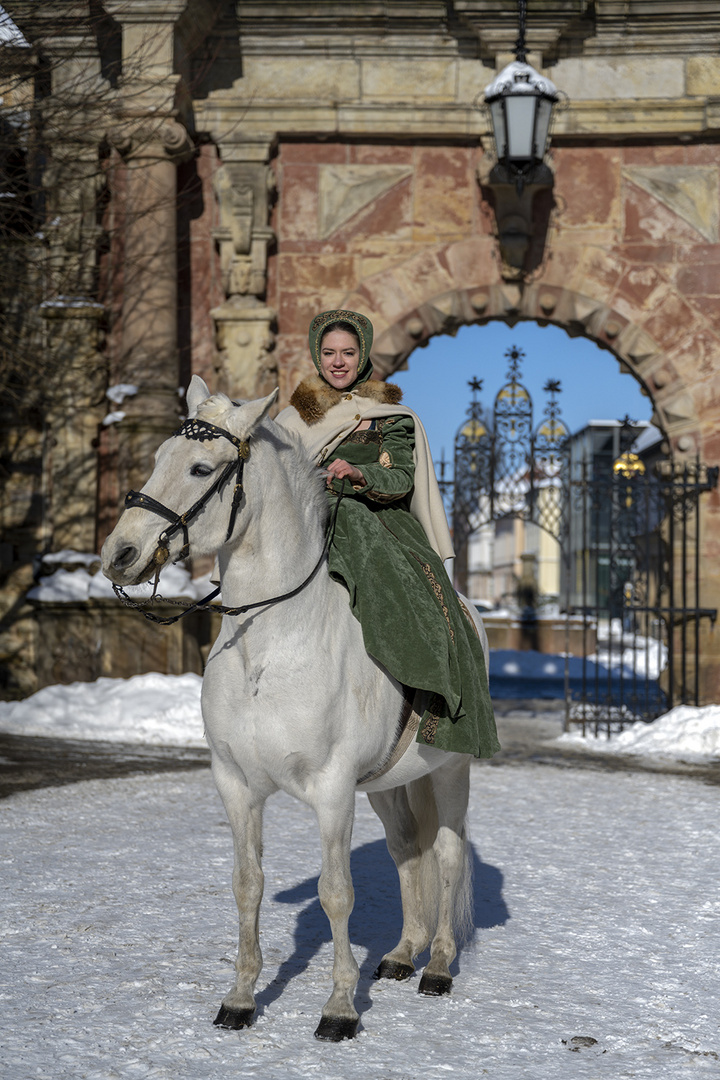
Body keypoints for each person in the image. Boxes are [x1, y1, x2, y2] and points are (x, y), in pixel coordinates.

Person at [276, 309, 499, 758]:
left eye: (348, 352)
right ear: (317, 355)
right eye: (329, 352)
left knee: (379, 550)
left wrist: (358, 473)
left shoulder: (391, 417)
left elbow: (401, 479)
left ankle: (432, 689)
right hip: (305, 520)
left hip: (374, 519)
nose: (338, 362)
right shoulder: (290, 420)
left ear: (362, 357)